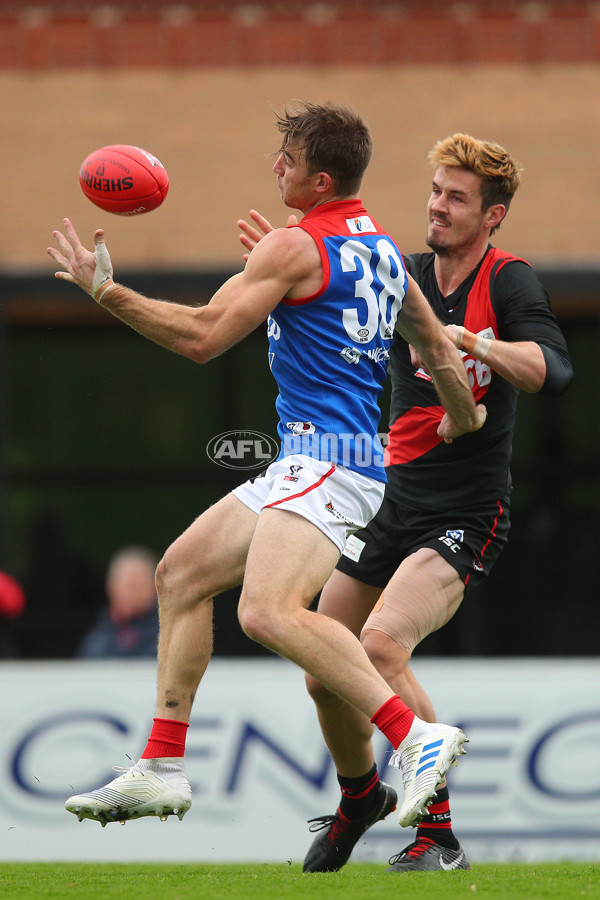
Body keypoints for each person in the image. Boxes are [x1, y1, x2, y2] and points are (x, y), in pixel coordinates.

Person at [47, 102, 486, 832]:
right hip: (314, 461)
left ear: (318, 178)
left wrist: (105, 290)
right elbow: (439, 352)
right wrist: (463, 417)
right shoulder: (380, 248)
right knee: (179, 575)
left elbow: (201, 337)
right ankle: (159, 765)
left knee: (264, 611)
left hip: (329, 461)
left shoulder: (295, 247)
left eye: (286, 158)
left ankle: (415, 736)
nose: (274, 166)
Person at [238, 132, 573, 873]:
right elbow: (332, 317)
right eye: (434, 192)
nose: (437, 207)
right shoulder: (401, 270)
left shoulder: (509, 280)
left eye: (457, 198)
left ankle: (439, 838)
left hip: (466, 511)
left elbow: (552, 371)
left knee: (381, 646)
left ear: (494, 216)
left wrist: (474, 346)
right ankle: (362, 798)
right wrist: (285, 272)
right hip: (387, 498)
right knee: (323, 668)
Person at [77, 546, 160, 659]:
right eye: (130, 584)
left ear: (155, 588)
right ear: (110, 586)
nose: (136, 592)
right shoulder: (96, 640)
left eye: (142, 584)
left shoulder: (166, 637)